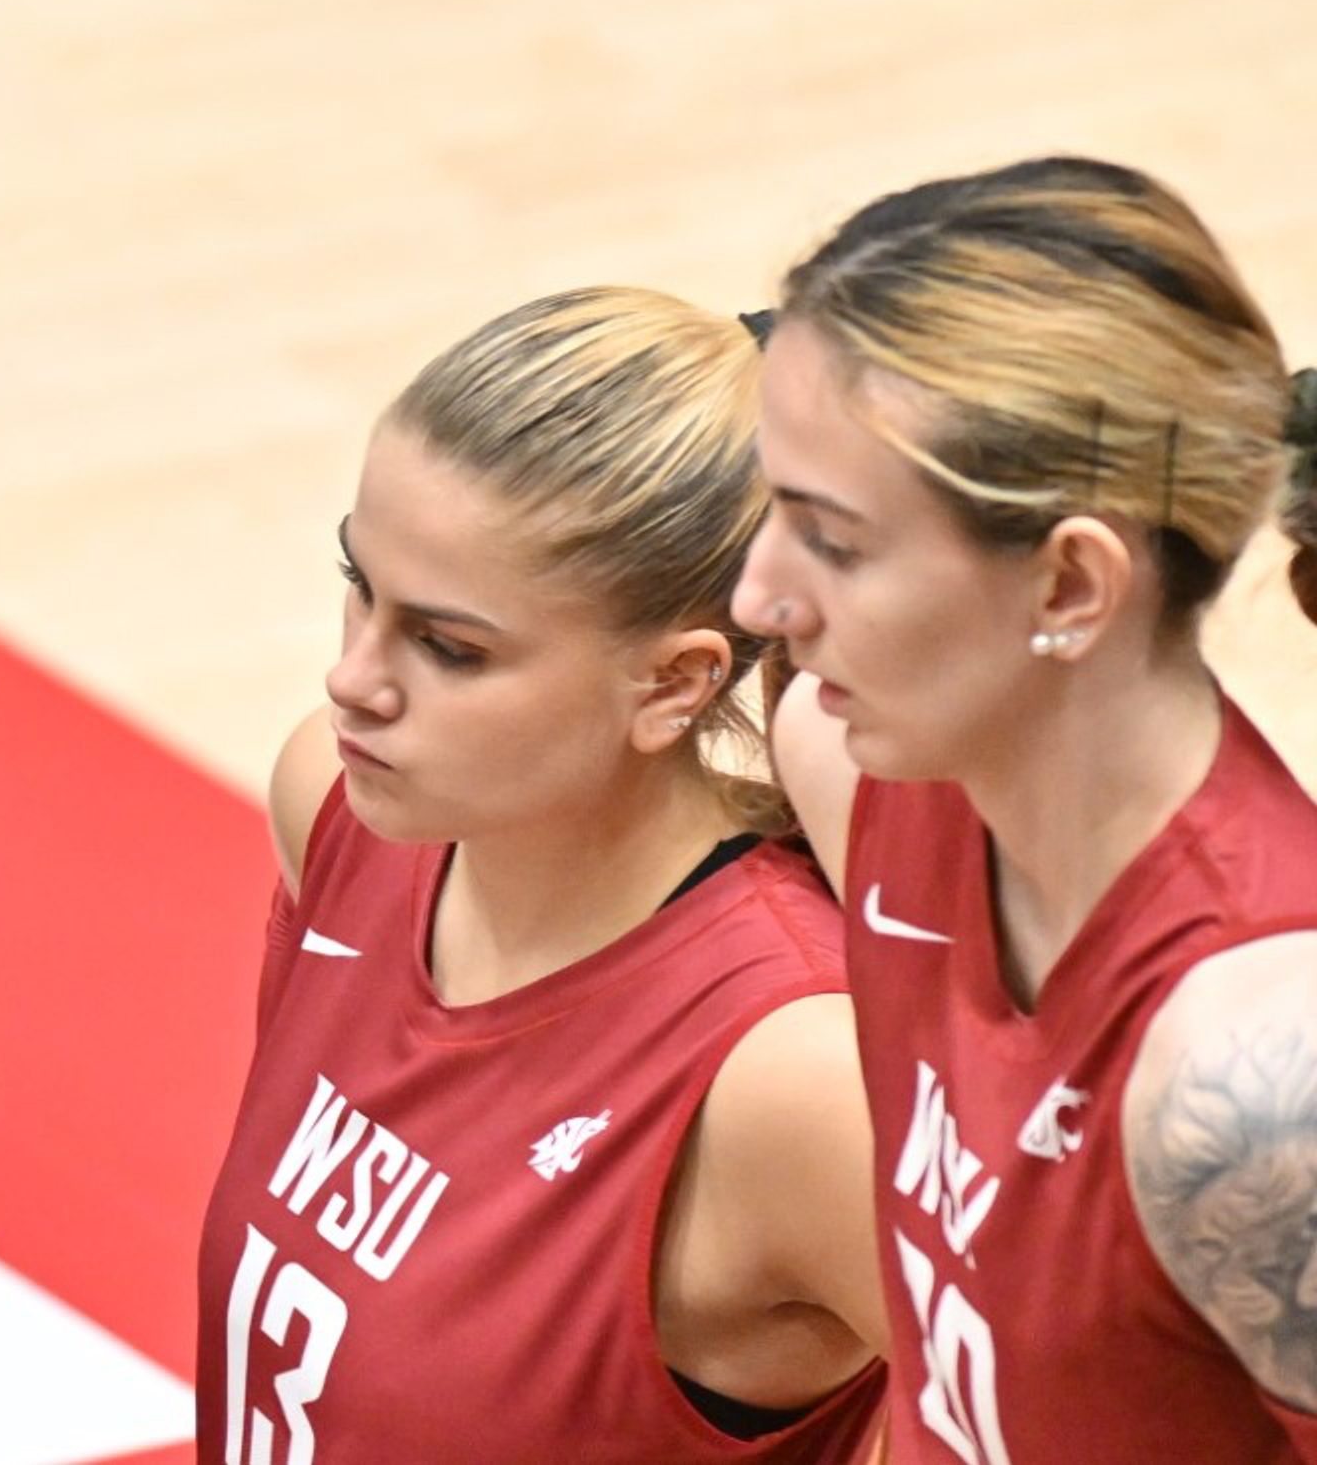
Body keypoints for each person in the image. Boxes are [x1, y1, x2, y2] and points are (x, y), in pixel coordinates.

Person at [200, 289, 886, 1461]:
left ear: (673, 684)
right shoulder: (339, 809)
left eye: (449, 646)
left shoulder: (789, 1074)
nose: (353, 679)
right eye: (359, 584)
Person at [742, 156, 1317, 1462]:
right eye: (775, 512)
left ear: (1069, 586)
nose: (760, 597)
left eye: (832, 540)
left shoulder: (1260, 1074)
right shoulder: (856, 772)